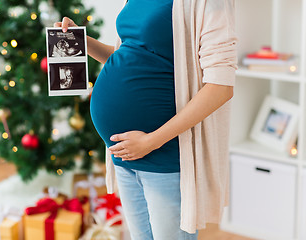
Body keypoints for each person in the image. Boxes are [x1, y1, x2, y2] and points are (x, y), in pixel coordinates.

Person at [54, 0, 237, 239]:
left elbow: (221, 86)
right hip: (123, 152)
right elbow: (131, 55)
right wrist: (83, 42)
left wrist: (152, 141)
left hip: (165, 153)